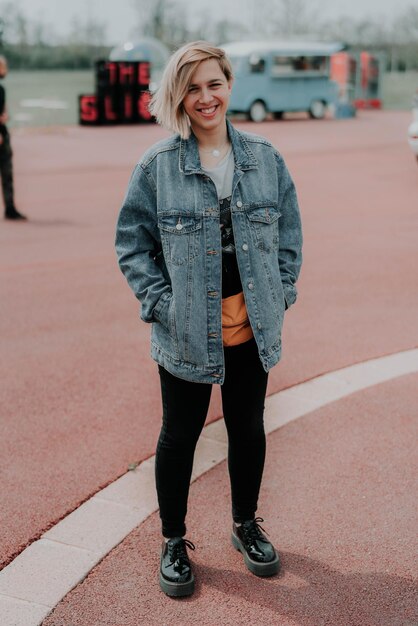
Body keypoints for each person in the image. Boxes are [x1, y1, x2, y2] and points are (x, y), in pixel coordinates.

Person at [115, 41, 303, 598]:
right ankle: (174, 540)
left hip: (253, 326)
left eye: (214, 84)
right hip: (186, 332)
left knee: (248, 428)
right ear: (179, 94)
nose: (205, 97)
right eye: (192, 87)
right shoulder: (157, 167)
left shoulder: (265, 158)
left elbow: (288, 236)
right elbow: (133, 246)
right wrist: (162, 306)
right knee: (179, 436)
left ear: (229, 86)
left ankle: (245, 524)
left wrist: (280, 292)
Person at [0, 56, 27, 220]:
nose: (6, 70)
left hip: (3, 133)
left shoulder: (1, 89)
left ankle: (10, 207)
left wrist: (5, 115)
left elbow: (3, 109)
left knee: (7, 172)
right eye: (3, 66)